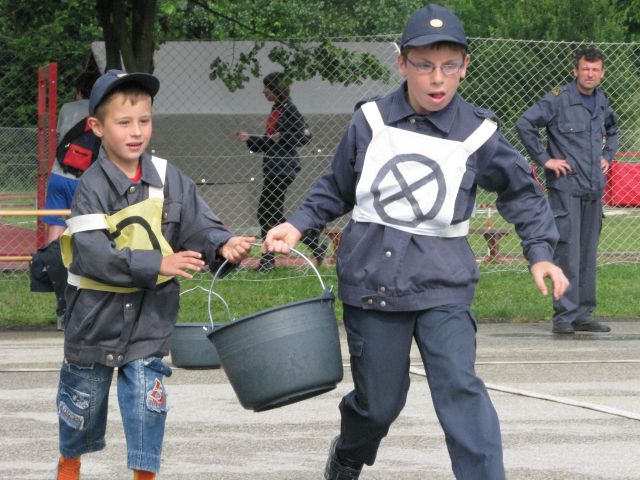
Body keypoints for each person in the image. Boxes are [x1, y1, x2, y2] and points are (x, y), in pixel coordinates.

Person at [263, 4, 569, 479]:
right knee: (379, 406)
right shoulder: (370, 121)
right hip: (372, 283)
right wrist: (299, 223)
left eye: (449, 65)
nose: (437, 78)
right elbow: (336, 187)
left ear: (466, 67)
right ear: (402, 62)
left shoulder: (479, 133)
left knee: (459, 387)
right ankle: (348, 455)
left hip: (442, 283)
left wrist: (541, 253)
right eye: (424, 65)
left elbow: (522, 192)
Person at [54, 69, 255, 480]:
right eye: (123, 122)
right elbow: (91, 254)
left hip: (150, 319)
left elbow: (198, 226)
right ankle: (68, 466)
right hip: (94, 321)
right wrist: (157, 264)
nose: (136, 132)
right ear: (96, 126)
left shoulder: (169, 177)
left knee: (149, 407)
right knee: (80, 410)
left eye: (144, 121)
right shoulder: (90, 186)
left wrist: (222, 245)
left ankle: (143, 475)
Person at [516, 47, 617, 335]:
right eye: (585, 68)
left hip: (594, 188)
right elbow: (525, 124)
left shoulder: (601, 101)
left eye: (595, 69)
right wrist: (545, 159)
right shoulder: (559, 99)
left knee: (587, 254)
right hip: (566, 189)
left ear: (602, 73)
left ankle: (584, 315)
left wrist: (608, 155)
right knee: (567, 253)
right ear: (575, 71)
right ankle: (564, 317)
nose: (590, 74)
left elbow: (613, 128)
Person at [235, 72, 327, 272]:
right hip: (273, 166)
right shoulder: (277, 108)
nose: (263, 91)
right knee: (272, 213)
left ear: (275, 89)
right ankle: (313, 243)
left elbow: (305, 135)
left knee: (266, 212)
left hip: (283, 168)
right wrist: (249, 139)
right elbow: (269, 141)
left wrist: (283, 137)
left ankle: (267, 261)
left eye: (267, 87)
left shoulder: (290, 109)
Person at [35, 71, 99, 329]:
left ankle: (61, 302)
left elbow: (62, 134)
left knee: (56, 232)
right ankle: (85, 302)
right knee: (90, 235)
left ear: (79, 90)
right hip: (88, 180)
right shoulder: (105, 110)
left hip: (59, 175)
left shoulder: (67, 108)